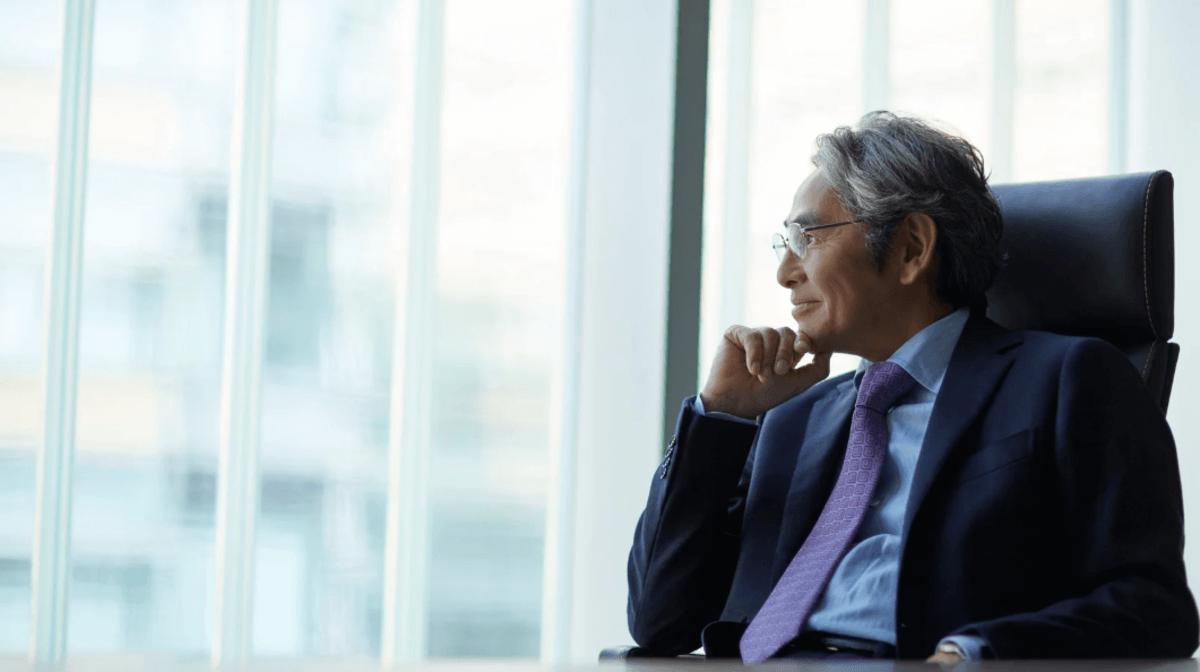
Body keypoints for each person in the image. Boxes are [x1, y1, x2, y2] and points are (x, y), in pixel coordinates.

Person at [626, 112, 1199, 663]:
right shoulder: (790, 418)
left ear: (911, 249)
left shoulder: (1070, 379)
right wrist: (720, 416)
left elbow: (1154, 609)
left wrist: (977, 654)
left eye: (809, 237)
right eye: (786, 243)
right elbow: (659, 620)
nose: (785, 273)